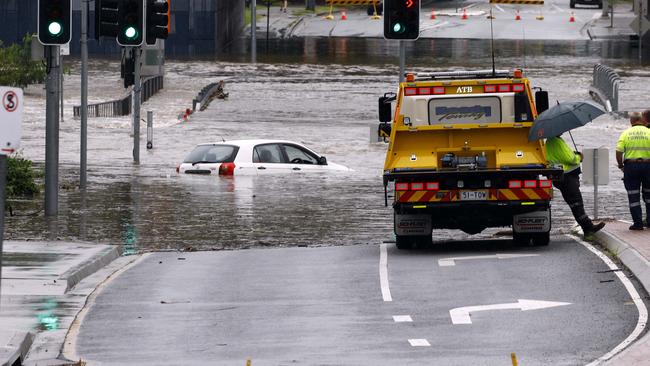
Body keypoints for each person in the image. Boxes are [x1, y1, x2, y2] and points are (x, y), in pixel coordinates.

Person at [546, 135, 605, 236]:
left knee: (574, 203)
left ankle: (587, 227)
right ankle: (588, 228)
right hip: (567, 177)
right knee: (576, 203)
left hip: (561, 177)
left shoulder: (550, 141)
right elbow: (570, 159)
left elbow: (561, 156)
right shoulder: (555, 141)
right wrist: (579, 157)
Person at [616, 111, 650, 230]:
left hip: (631, 167)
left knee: (633, 195)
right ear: (641, 120)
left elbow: (619, 151)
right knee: (649, 195)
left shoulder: (626, 133)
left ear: (632, 121)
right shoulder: (649, 132)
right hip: (648, 166)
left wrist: (621, 166)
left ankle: (638, 223)